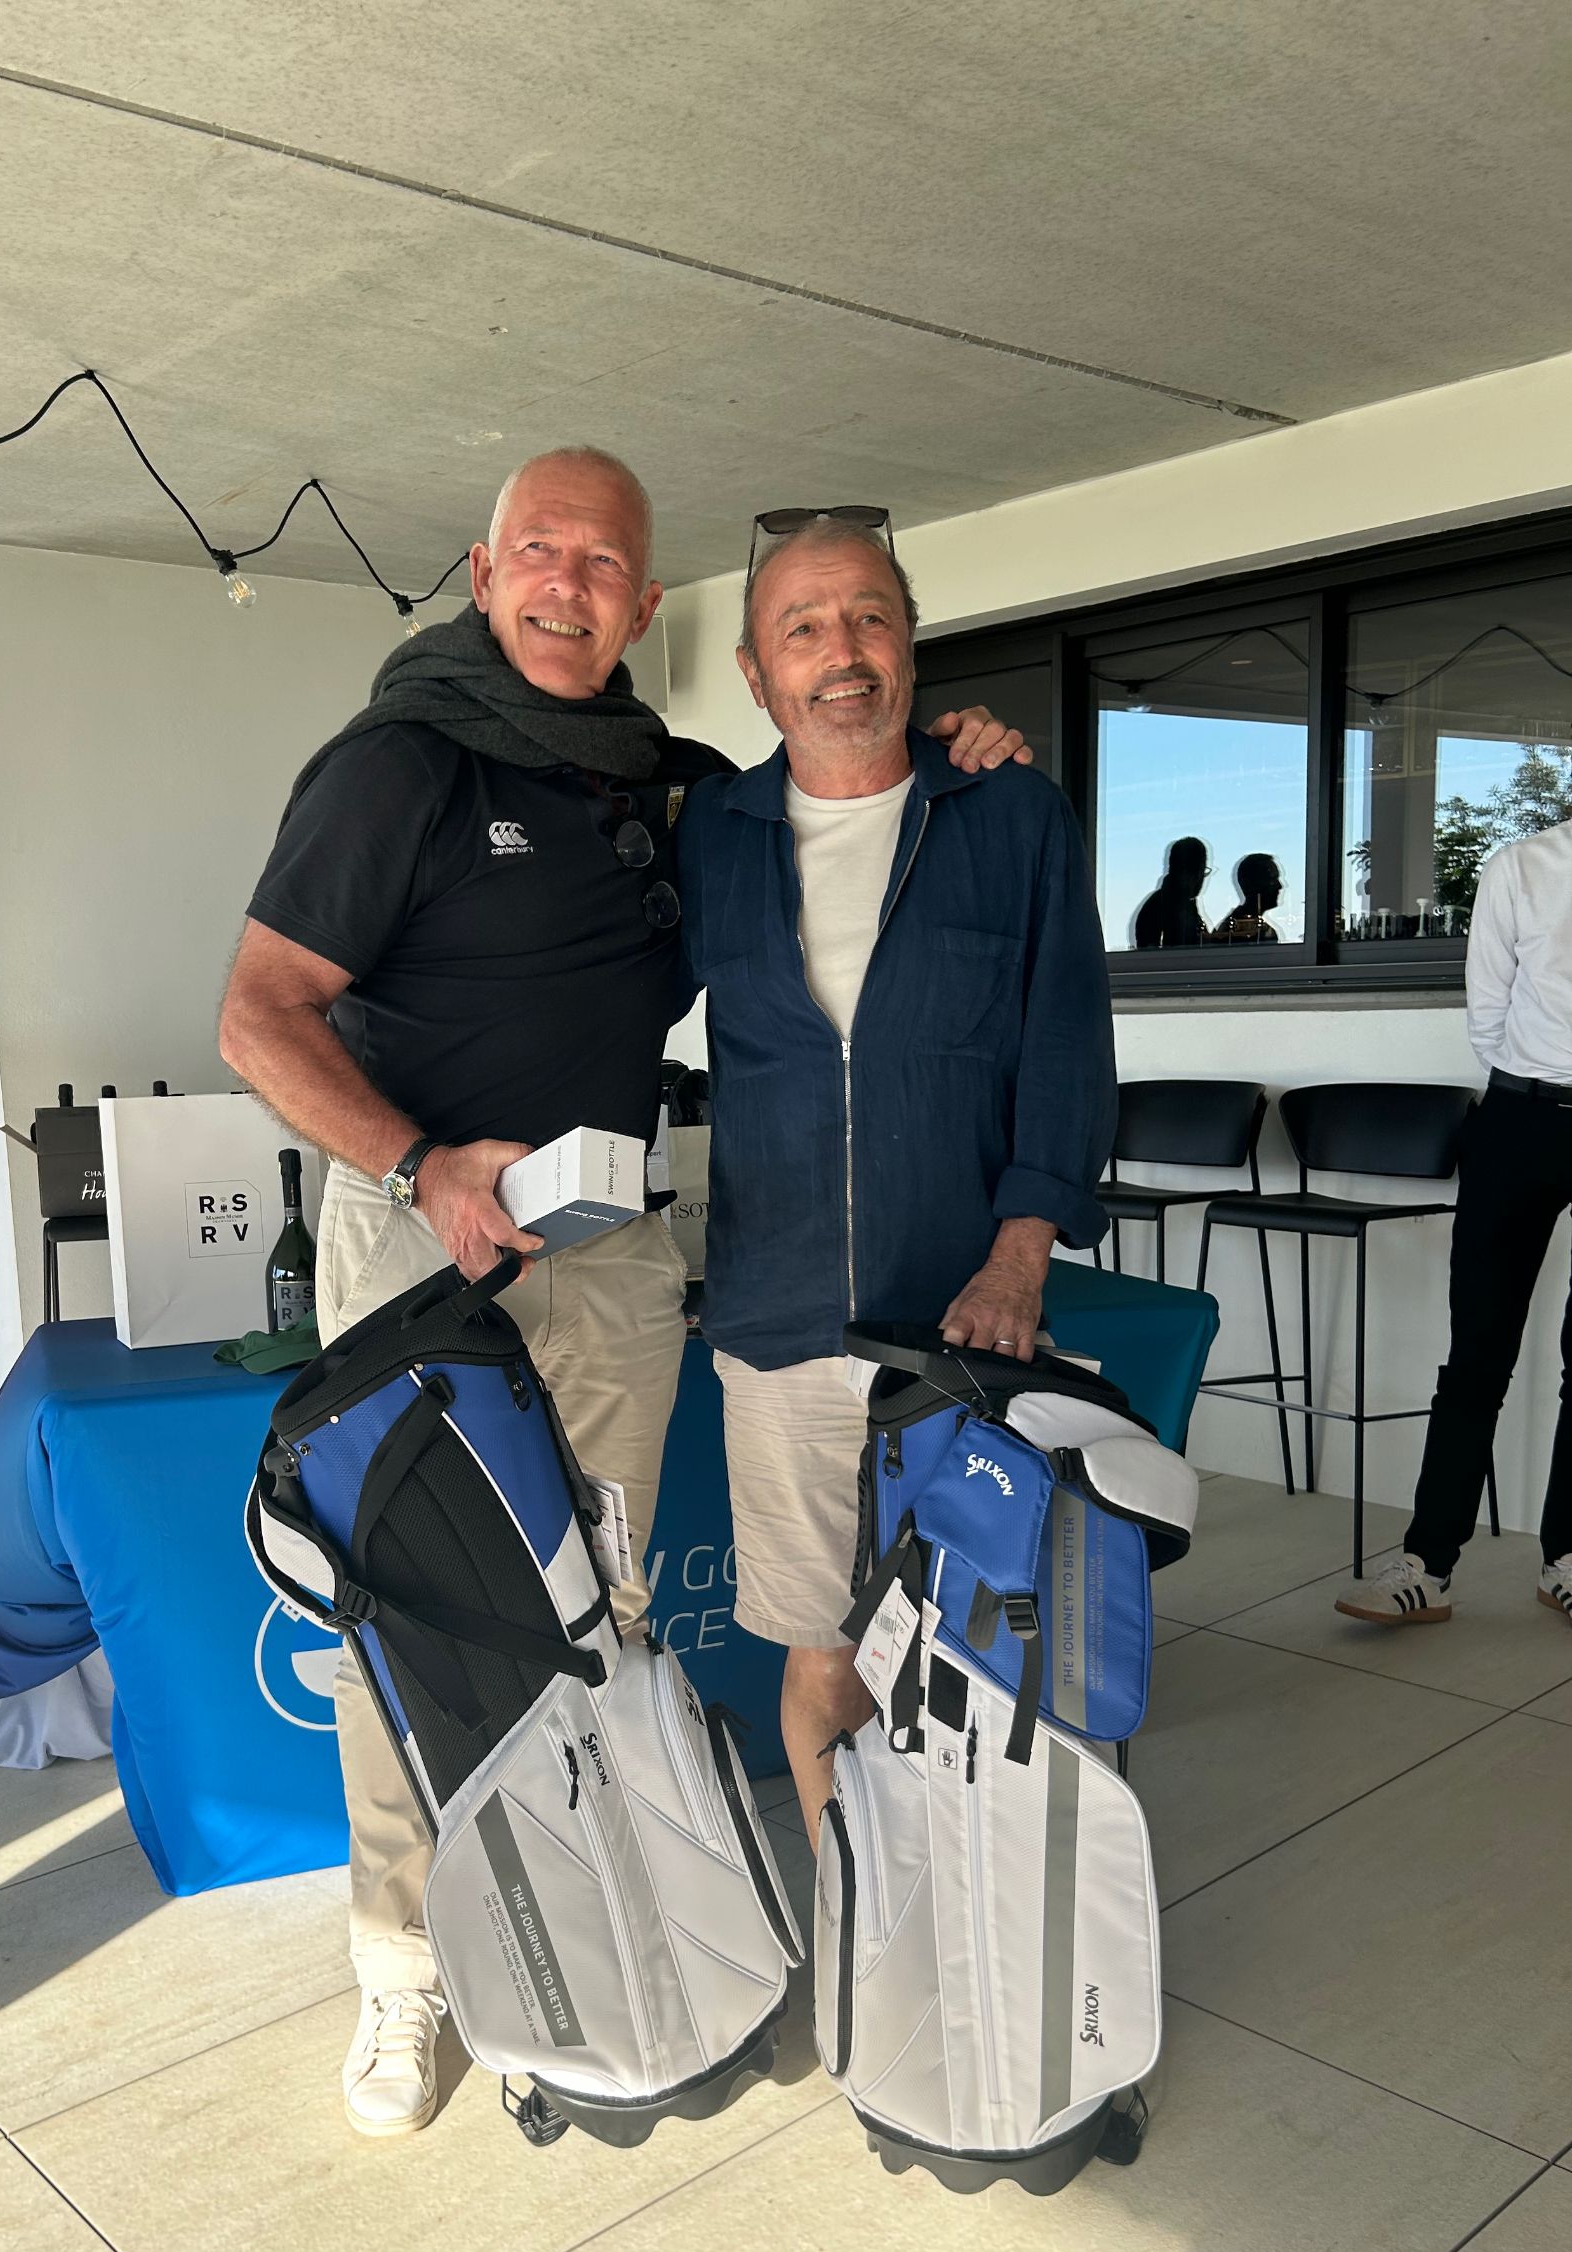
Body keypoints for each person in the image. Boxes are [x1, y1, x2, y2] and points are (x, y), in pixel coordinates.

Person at [219, 448, 1028, 2134]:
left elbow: (840, 801)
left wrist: (957, 755)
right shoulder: (399, 762)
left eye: (603, 564)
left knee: (608, 1612)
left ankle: (582, 1944)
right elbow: (258, 1015)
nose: (569, 584)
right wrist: (419, 1166)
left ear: (646, 606)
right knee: (408, 1616)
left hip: (605, 1250)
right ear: (484, 571)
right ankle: (406, 1972)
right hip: (417, 1241)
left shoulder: (673, 788)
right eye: (541, 552)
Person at [677, 512, 1115, 1844]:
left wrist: (1021, 1257)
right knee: (824, 1654)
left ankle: (987, 1909)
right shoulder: (710, 836)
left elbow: (1066, 1047)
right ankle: (864, 1924)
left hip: (966, 1320)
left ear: (912, 643)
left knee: (986, 1651)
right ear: (757, 674)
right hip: (779, 1320)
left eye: (871, 615)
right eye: (803, 627)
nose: (843, 651)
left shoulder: (1012, 814)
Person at [1337, 811, 1572, 1628]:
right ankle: (1428, 1564)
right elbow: (1488, 1012)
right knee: (1477, 1350)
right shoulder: (1523, 865)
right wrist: (1533, 1087)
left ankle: (1566, 1558)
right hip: (1521, 1117)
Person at [1132, 836, 1211, 949]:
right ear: (1194, 873)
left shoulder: (1159, 905)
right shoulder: (1162, 908)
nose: (1201, 879)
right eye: (1202, 872)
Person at [1211, 852, 1283, 943]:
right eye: (1272, 879)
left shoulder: (1253, 929)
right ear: (1251, 885)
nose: (1279, 886)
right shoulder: (1238, 932)